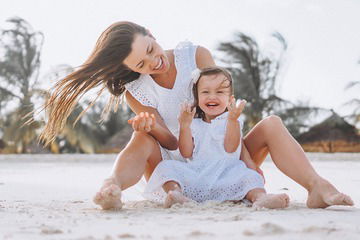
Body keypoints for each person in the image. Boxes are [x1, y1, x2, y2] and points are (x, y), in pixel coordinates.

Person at [39, 21, 353, 210]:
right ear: (131, 71)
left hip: (222, 156)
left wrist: (245, 164)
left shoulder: (196, 56)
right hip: (178, 168)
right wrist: (152, 127)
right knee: (142, 134)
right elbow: (171, 142)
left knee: (271, 124)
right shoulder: (137, 89)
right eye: (141, 64)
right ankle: (112, 187)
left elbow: (222, 108)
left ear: (151, 33)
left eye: (151, 49)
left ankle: (316, 186)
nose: (153, 62)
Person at [144, 67, 290, 209]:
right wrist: (184, 126)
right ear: (198, 98)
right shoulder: (193, 123)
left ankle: (260, 198)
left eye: (219, 92)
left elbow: (231, 148)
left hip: (227, 174)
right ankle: (176, 194)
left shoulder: (232, 121)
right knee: (167, 167)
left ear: (230, 99)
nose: (212, 96)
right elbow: (186, 153)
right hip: (198, 175)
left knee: (250, 177)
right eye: (205, 92)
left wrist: (232, 121)